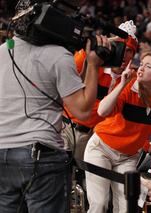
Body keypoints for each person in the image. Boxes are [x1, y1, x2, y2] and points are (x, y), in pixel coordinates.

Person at [0, 1, 110, 212]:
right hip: (39, 157)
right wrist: (94, 65)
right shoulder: (58, 55)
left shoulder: (3, 51)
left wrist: (87, 63)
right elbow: (82, 111)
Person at [84, 51, 151, 213]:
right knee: (99, 205)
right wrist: (121, 84)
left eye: (148, 66)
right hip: (101, 149)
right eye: (141, 64)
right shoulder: (129, 86)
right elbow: (102, 111)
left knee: (127, 208)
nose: (140, 69)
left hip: (128, 157)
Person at [62, 20, 138, 162]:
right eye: (121, 47)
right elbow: (64, 74)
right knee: (60, 175)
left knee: (77, 180)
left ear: (134, 55)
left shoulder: (131, 78)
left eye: (129, 51)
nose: (124, 54)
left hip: (92, 136)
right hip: (65, 128)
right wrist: (104, 44)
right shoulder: (92, 59)